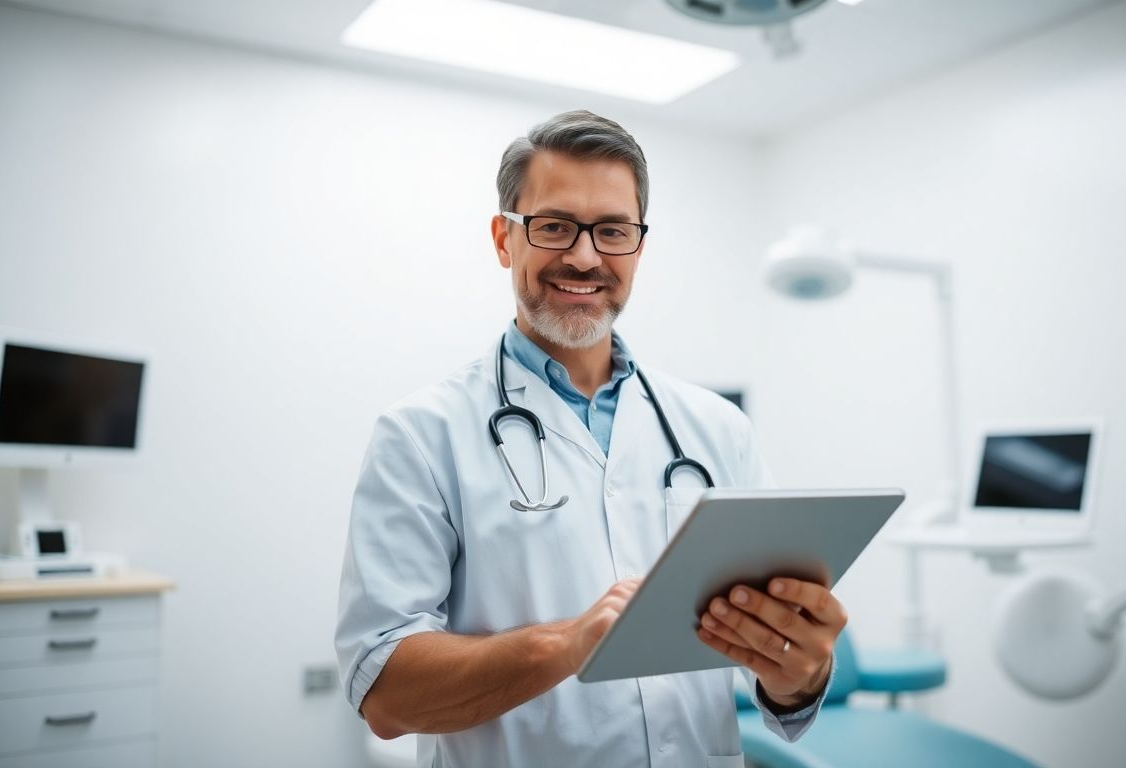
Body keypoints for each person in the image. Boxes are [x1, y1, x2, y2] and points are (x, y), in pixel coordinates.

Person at [335, 110, 849, 768]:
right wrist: (567, 646)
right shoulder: (420, 435)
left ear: (638, 246)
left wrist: (796, 672)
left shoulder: (717, 429)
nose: (585, 256)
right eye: (554, 227)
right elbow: (384, 693)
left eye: (612, 231)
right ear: (504, 239)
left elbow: (774, 678)